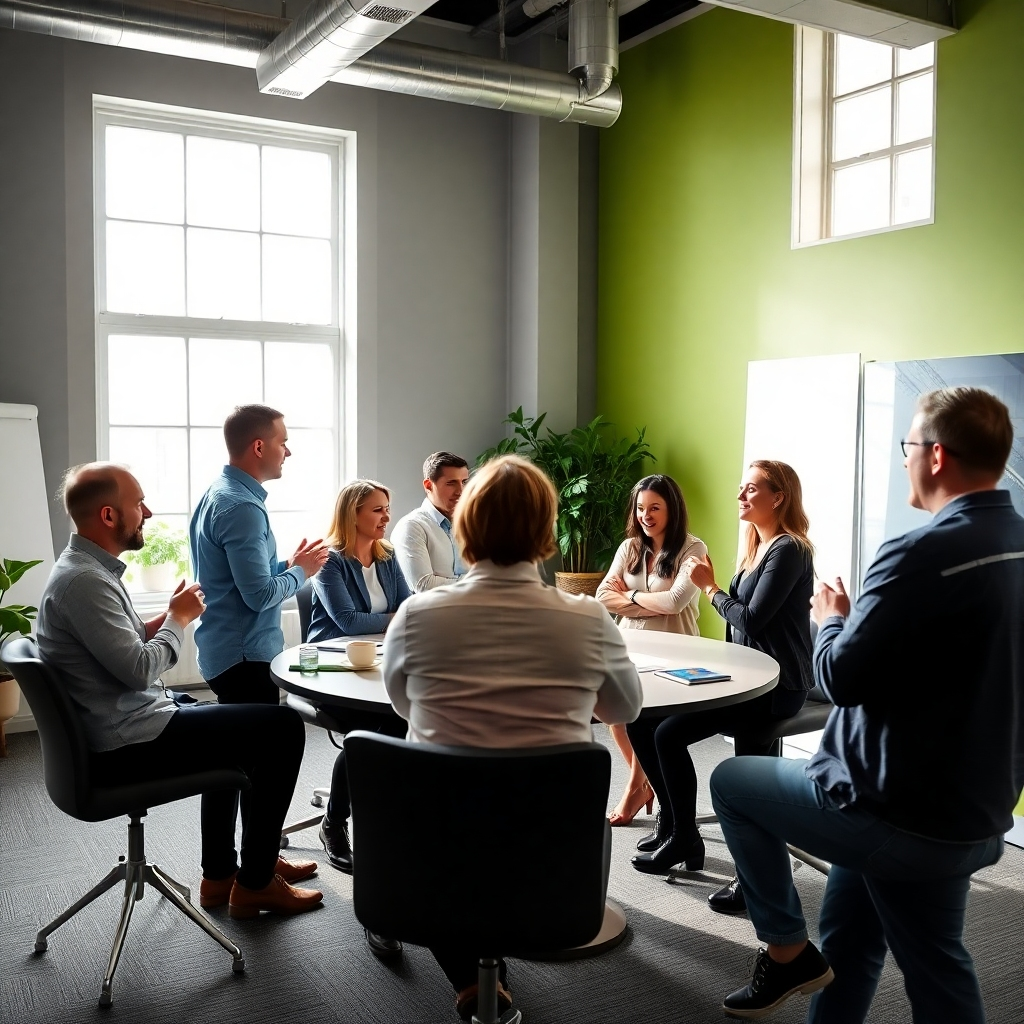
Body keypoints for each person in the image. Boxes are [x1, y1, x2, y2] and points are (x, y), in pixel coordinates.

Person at [709, 387, 1024, 1022]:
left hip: (894, 810)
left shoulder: (917, 555)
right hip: (974, 804)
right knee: (852, 941)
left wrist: (831, 620)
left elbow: (841, 677)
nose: (904, 459)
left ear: (935, 456)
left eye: (908, 446)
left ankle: (786, 951)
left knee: (731, 782)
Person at [383, 454, 643, 1022]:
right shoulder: (589, 619)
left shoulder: (416, 615)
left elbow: (405, 705)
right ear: (547, 533)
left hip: (434, 849)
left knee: (444, 820)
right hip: (552, 854)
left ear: (464, 527)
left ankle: (470, 976)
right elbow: (625, 707)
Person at [36, 463, 323, 918]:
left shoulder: (87, 571)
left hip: (134, 720)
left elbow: (116, 647)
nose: (147, 512)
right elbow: (139, 669)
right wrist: (177, 620)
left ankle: (224, 873)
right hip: (129, 741)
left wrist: (161, 618)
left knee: (242, 727)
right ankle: (256, 881)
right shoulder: (83, 583)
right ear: (109, 516)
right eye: (138, 504)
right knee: (285, 727)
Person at [626, 460, 814, 879]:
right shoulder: (755, 545)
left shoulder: (789, 550)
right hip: (747, 676)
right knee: (644, 722)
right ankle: (678, 829)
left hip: (778, 686)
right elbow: (741, 629)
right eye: (741, 487)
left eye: (750, 489)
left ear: (777, 497)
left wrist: (711, 587)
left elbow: (750, 619)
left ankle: (750, 876)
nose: (740, 495)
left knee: (671, 735)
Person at [189, 404, 328, 882]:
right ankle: (256, 874)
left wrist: (285, 566)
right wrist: (300, 573)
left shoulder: (220, 493)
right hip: (246, 656)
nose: (289, 450)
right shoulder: (244, 507)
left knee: (228, 767)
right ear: (259, 446)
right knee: (256, 768)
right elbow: (258, 598)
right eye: (283, 441)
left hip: (224, 650)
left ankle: (223, 873)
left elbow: (239, 581)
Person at [308, 480, 411, 959]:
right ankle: (335, 821)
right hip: (334, 668)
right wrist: (394, 617)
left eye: (387, 510)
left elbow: (409, 608)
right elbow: (346, 623)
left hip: (382, 662)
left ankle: (352, 818)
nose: (386, 518)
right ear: (353, 515)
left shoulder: (387, 557)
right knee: (375, 732)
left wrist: (393, 617)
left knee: (392, 725)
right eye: (377, 511)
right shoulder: (331, 561)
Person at [596, 474, 707, 829]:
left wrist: (627, 597)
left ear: (672, 509)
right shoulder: (629, 547)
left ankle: (634, 787)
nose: (646, 515)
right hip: (629, 645)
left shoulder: (693, 549)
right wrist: (648, 602)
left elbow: (676, 603)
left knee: (646, 721)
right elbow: (602, 596)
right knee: (615, 715)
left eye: (655, 508)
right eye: (641, 508)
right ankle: (643, 782)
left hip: (675, 649)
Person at [390, 452, 471, 592]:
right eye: (451, 483)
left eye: (464, 482)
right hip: (432, 613)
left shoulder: (473, 524)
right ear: (428, 485)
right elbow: (424, 585)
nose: (461, 491)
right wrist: (479, 583)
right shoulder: (411, 527)